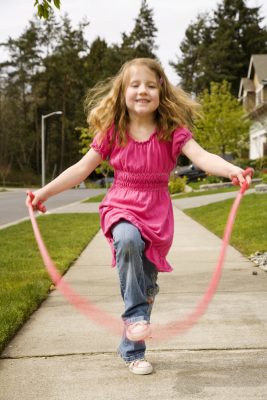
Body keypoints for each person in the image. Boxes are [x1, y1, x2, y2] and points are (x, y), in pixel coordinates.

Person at [26, 58, 251, 375]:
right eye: (135, 84)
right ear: (122, 92)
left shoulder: (172, 132)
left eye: (150, 84)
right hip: (121, 204)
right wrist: (43, 193)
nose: (142, 90)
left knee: (145, 287)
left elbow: (201, 157)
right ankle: (135, 327)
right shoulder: (112, 133)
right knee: (128, 242)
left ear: (162, 91)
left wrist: (231, 169)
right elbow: (80, 169)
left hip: (157, 212)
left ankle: (132, 341)